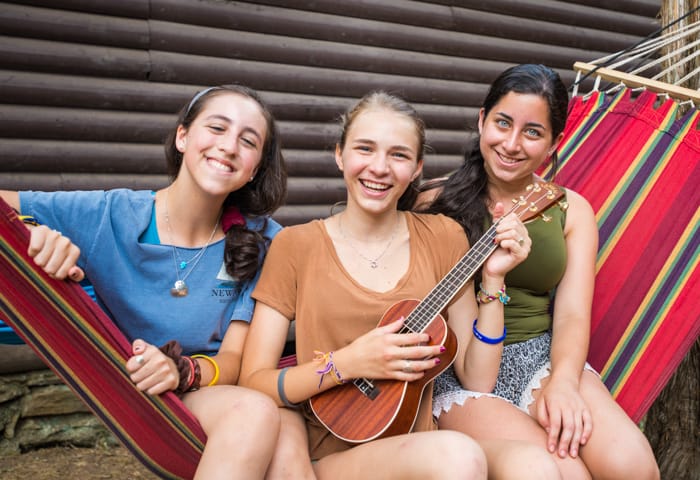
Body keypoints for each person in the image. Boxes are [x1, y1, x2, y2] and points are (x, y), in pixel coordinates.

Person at [238, 91, 561, 480]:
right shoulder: (296, 245)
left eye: (398, 155)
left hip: (422, 442)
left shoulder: (443, 235)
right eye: (365, 149)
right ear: (340, 155)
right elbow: (255, 383)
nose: (379, 168)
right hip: (338, 450)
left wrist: (493, 277)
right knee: (457, 457)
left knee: (536, 465)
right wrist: (351, 362)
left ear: (416, 169)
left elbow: (477, 378)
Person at [0, 85, 314, 480]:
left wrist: (184, 370)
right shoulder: (111, 216)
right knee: (258, 412)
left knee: (288, 451)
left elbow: (233, 363)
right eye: (216, 128)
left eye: (247, 141)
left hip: (212, 388)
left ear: (254, 169)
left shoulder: (264, 241)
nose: (229, 146)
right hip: (149, 400)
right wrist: (30, 233)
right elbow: (6, 211)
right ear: (182, 136)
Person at [418, 64, 660, 480]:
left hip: (541, 358)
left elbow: (571, 314)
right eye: (502, 123)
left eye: (532, 132)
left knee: (633, 466)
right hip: (461, 372)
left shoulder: (571, 210)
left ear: (554, 142)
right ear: (481, 120)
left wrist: (564, 383)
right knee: (563, 474)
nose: (512, 144)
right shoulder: (432, 203)